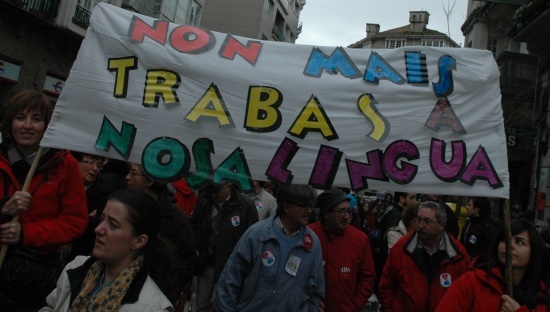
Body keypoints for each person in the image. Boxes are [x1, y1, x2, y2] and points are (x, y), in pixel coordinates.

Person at [0, 90, 88, 310]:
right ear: (10, 122)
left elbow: (74, 223)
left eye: (36, 119)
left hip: (33, 274)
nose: (27, 125)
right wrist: (4, 209)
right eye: (20, 118)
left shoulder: (66, 165)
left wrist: (25, 234)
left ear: (47, 125)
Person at [40, 189, 176, 311]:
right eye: (102, 219)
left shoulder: (152, 307)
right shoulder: (76, 268)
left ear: (139, 241)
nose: (98, 229)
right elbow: (51, 307)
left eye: (113, 225)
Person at [216, 184, 324, 311]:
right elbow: (230, 280)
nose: (309, 210)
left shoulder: (312, 243)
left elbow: (316, 289)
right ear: (286, 207)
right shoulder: (256, 234)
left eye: (311, 206)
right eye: (304, 206)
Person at [436, 219, 550, 312]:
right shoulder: (472, 282)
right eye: (505, 240)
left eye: (520, 242)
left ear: (534, 251)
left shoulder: (541, 297)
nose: (510, 245)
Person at [378, 201, 470, 312]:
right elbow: (386, 286)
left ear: (441, 225)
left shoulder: (458, 255)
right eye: (418, 220)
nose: (420, 225)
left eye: (427, 221)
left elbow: (466, 295)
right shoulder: (401, 248)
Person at [126, 162, 197, 304]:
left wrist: (167, 289)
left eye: (134, 173)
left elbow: (188, 261)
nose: (127, 177)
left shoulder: (175, 218)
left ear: (150, 181)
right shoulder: (125, 206)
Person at [191, 180, 258, 312]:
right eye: (211, 190)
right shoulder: (205, 200)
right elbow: (194, 225)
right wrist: (196, 247)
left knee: (224, 305)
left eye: (217, 190)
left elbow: (253, 237)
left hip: (231, 266)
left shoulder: (245, 205)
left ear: (228, 185)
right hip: (207, 264)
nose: (214, 194)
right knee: (201, 303)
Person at [309, 190, 376, 311]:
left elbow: (367, 277)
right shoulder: (309, 235)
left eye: (348, 211)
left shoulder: (360, 239)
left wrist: (355, 305)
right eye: (341, 212)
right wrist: (308, 300)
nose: (346, 216)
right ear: (326, 213)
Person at [68, 151, 114, 262]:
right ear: (75, 162)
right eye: (90, 162)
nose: (95, 168)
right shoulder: (62, 184)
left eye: (99, 165)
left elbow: (96, 225)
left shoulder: (104, 194)